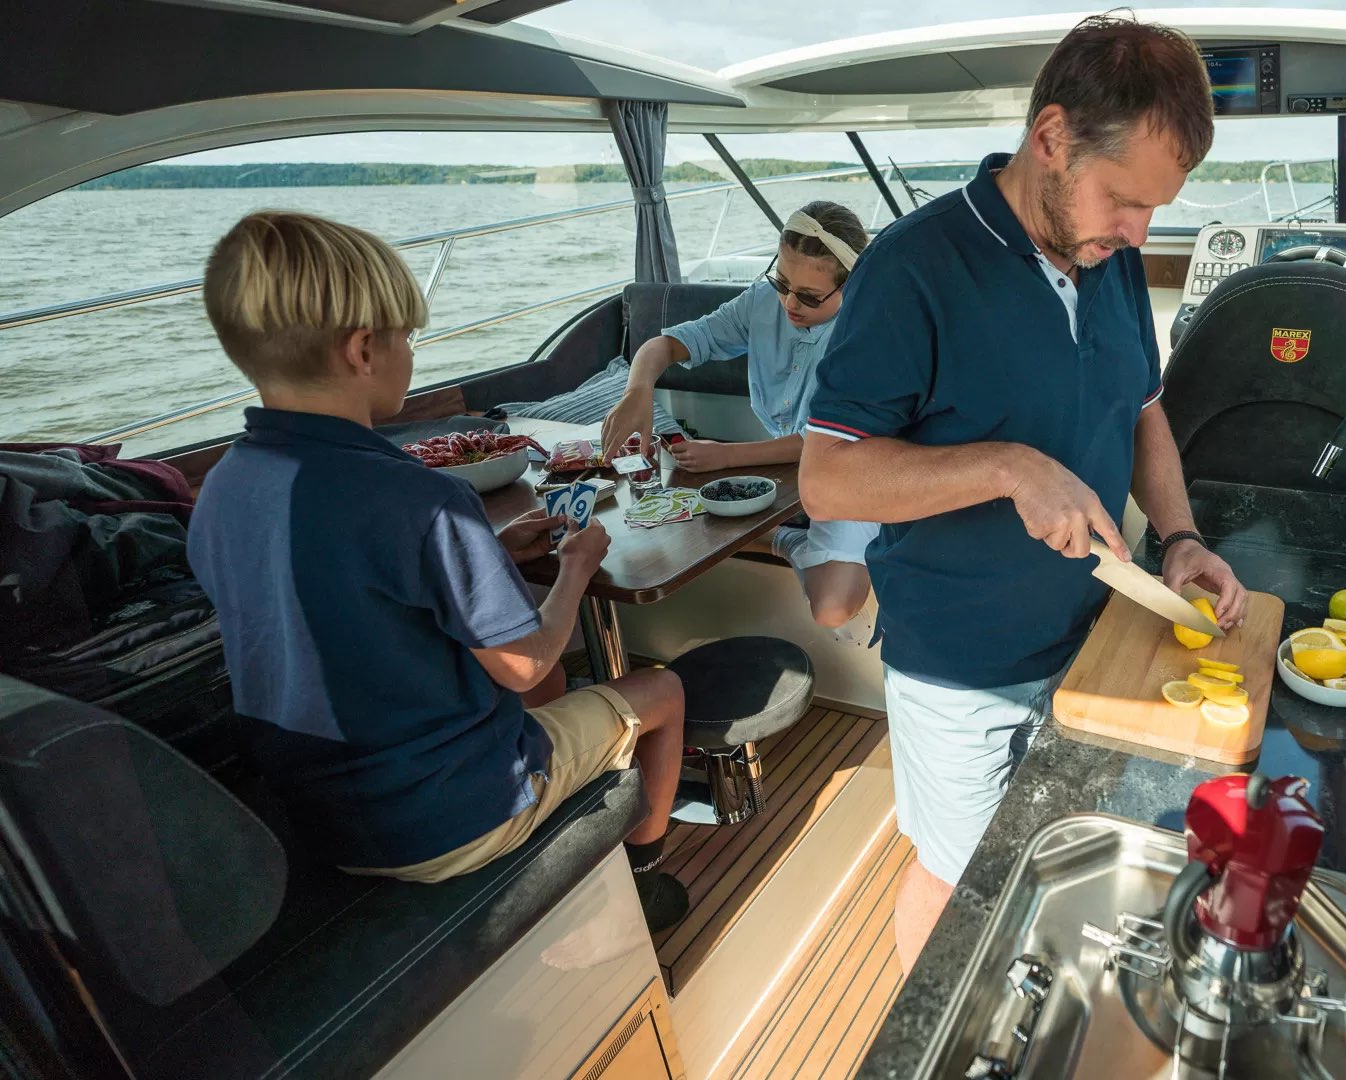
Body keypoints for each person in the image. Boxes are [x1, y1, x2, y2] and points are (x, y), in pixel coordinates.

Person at [798, 15, 1250, 969]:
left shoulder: (1110, 257)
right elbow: (828, 478)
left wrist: (1178, 536)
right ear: (1051, 138)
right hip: (962, 668)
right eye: (1123, 200)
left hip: (1094, 639)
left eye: (1153, 210)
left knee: (1059, 867)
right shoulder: (913, 268)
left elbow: (1144, 409)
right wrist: (1008, 466)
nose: (1137, 232)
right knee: (961, 884)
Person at [186, 211, 689, 930]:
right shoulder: (420, 499)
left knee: (548, 693)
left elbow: (338, 597)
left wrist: (495, 552)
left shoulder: (222, 489)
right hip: (449, 817)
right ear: (364, 348)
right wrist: (576, 568)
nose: (409, 354)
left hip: (317, 819)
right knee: (662, 689)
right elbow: (525, 664)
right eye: (406, 338)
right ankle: (647, 884)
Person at [601, 202, 879, 638]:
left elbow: (826, 442)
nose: (789, 303)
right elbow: (665, 346)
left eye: (809, 296)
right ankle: (786, 534)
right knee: (658, 518)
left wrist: (726, 457)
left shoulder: (868, 332)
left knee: (832, 606)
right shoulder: (762, 302)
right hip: (787, 472)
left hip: (852, 469)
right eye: (782, 282)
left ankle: (785, 540)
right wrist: (637, 391)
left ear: (852, 285)